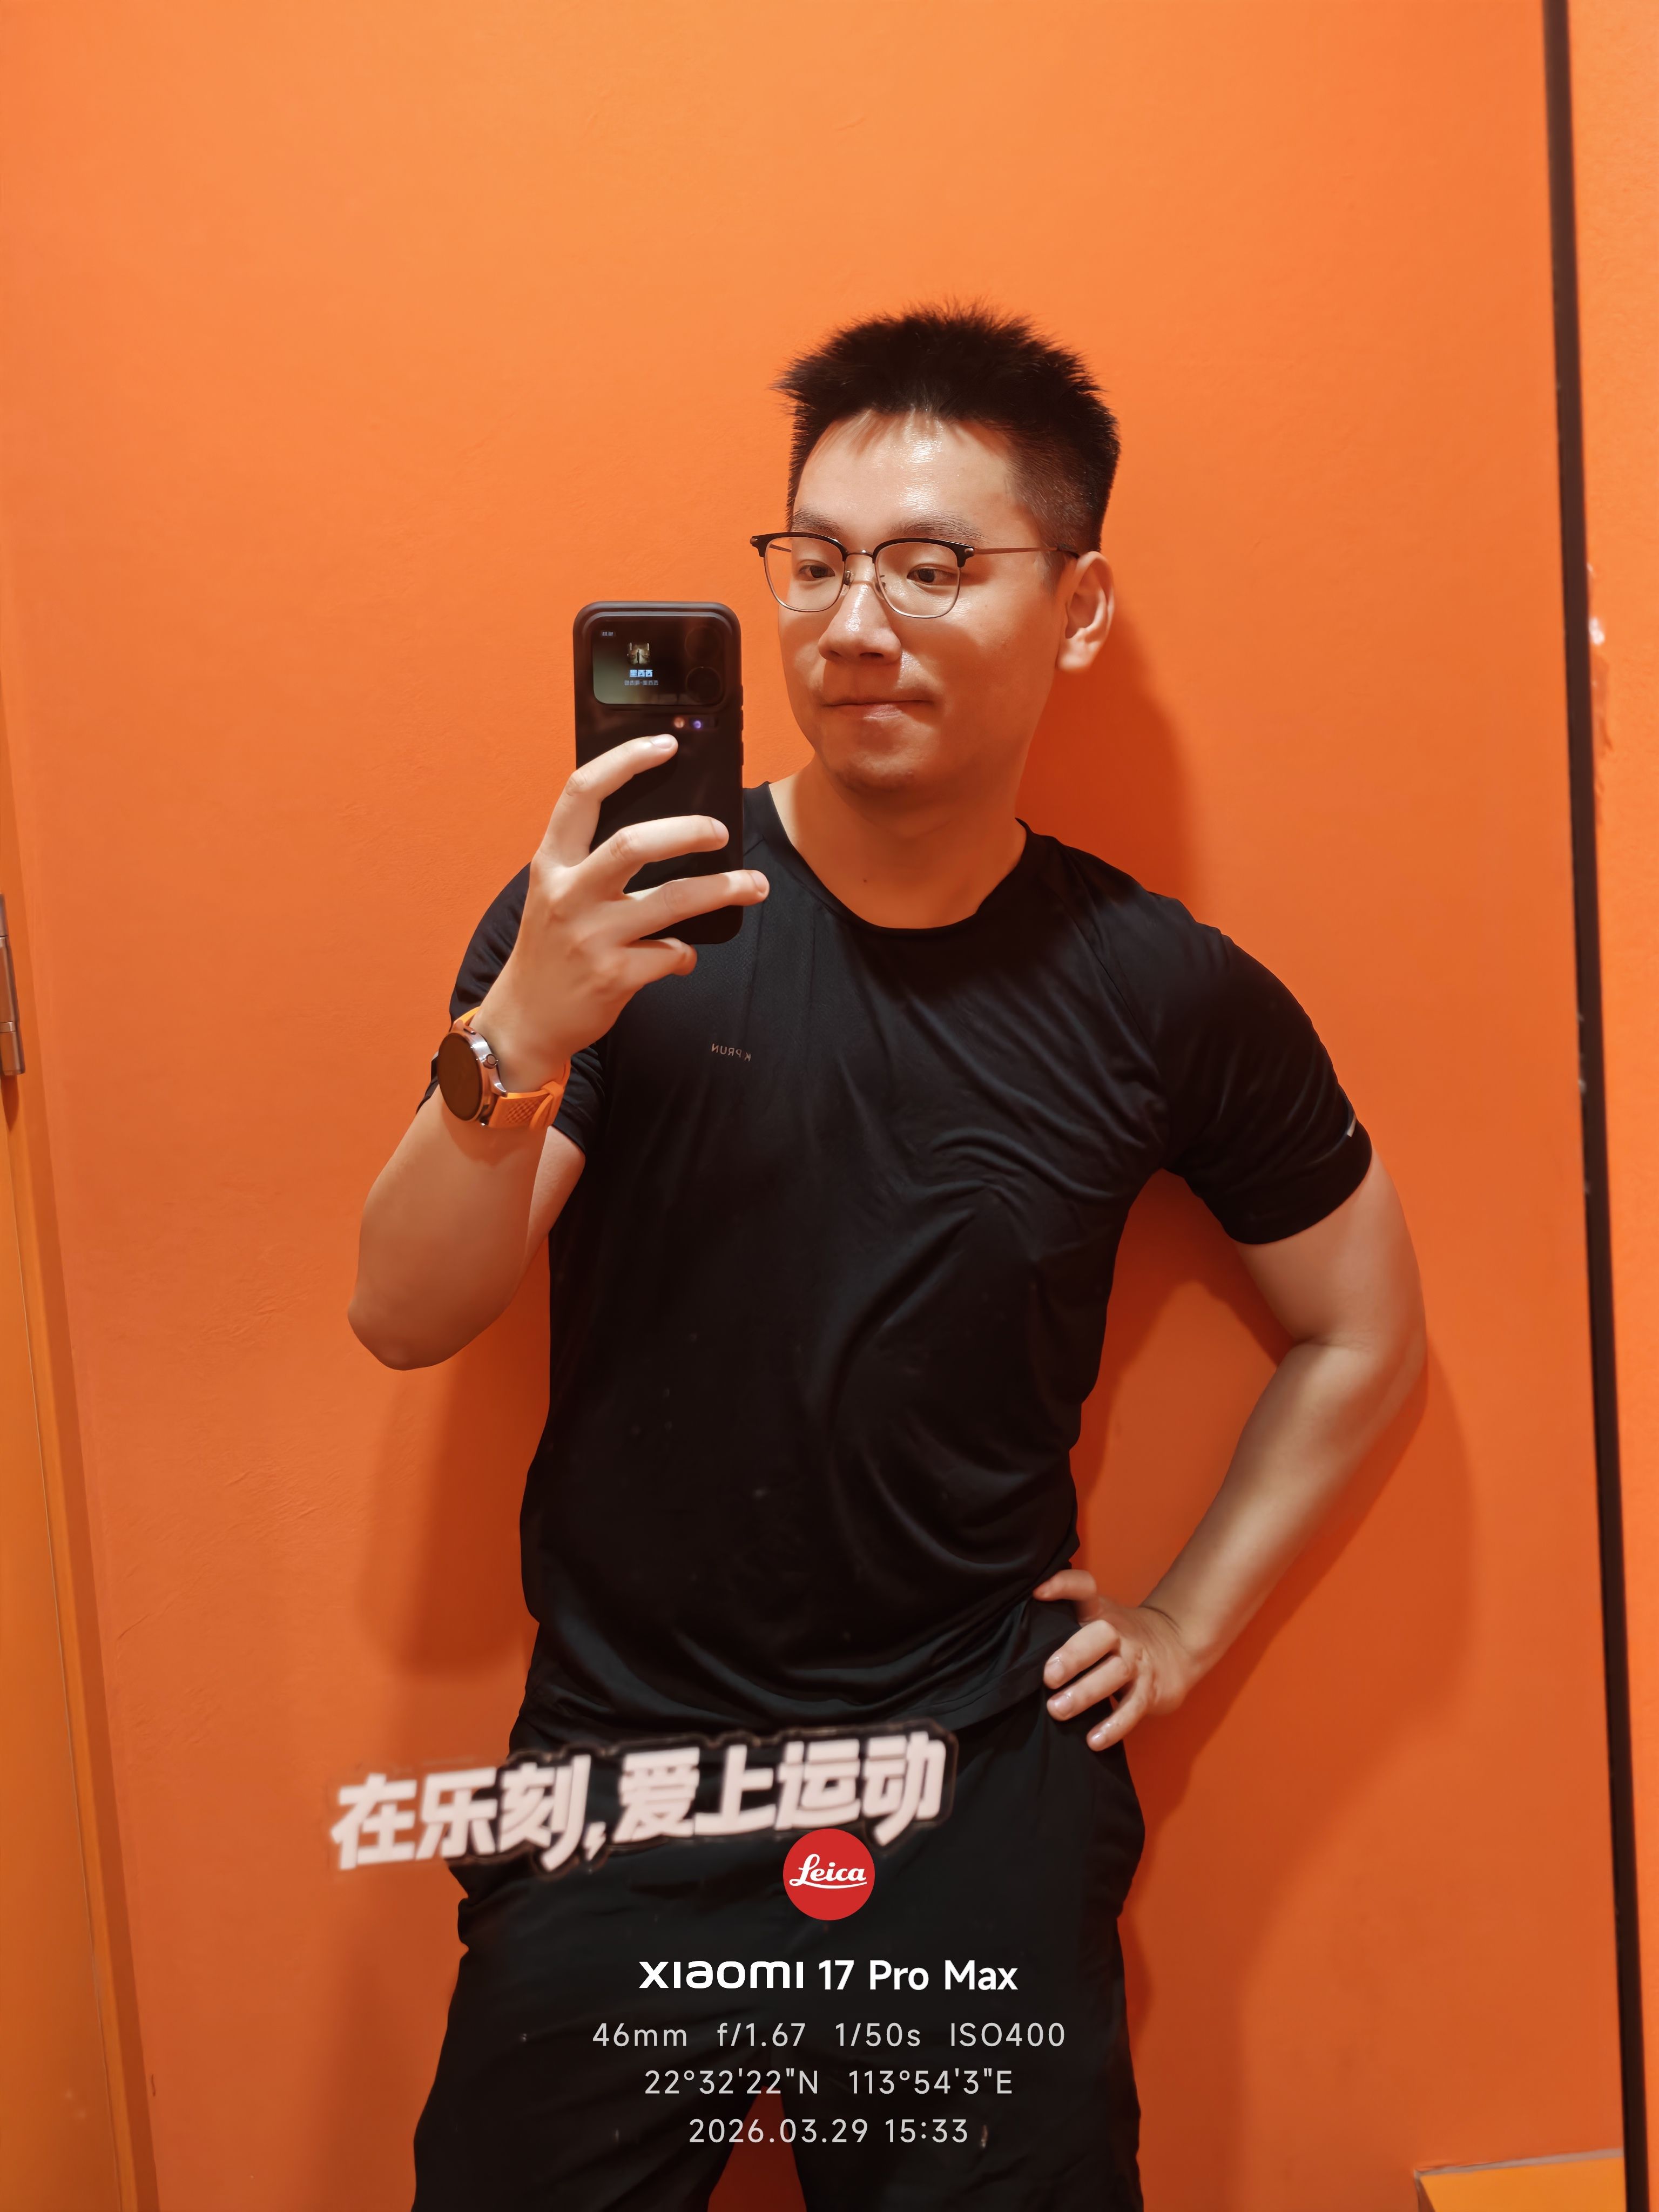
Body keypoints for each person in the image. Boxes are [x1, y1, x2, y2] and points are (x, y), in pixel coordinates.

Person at [349, 304, 1424, 2212]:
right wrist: (517, 1032)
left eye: (934, 568)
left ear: (1077, 609)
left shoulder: (1157, 991)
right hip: (629, 1779)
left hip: (971, 1779)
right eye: (818, 563)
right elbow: (404, 1311)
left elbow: (1361, 1331)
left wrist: (1181, 1628)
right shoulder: (618, 927)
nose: (858, 625)